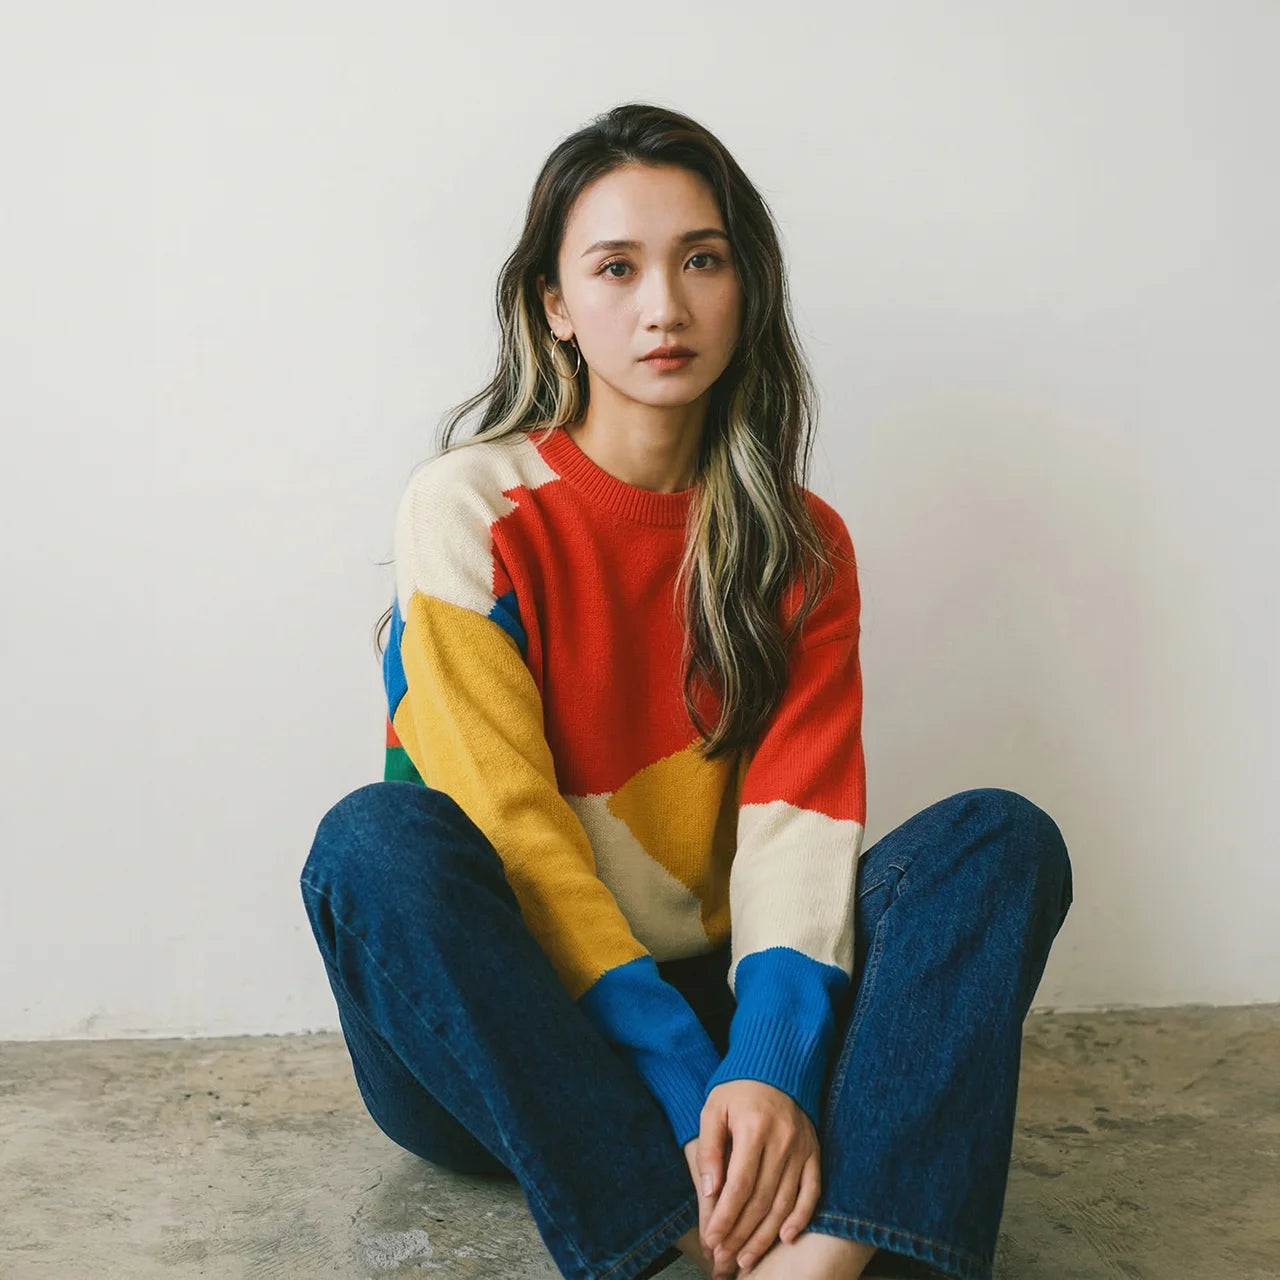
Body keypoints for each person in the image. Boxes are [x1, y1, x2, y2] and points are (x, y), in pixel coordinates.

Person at [299, 101, 1073, 1280]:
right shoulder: (469, 509)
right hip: (506, 1038)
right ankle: (680, 1218)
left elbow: (796, 824)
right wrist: (682, 1086)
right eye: (615, 267)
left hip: (724, 1006)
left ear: (743, 287)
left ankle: (822, 1256)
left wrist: (762, 1064)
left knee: (996, 842)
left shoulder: (799, 546)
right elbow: (514, 835)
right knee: (372, 842)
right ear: (554, 306)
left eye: (699, 260)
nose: (663, 306)